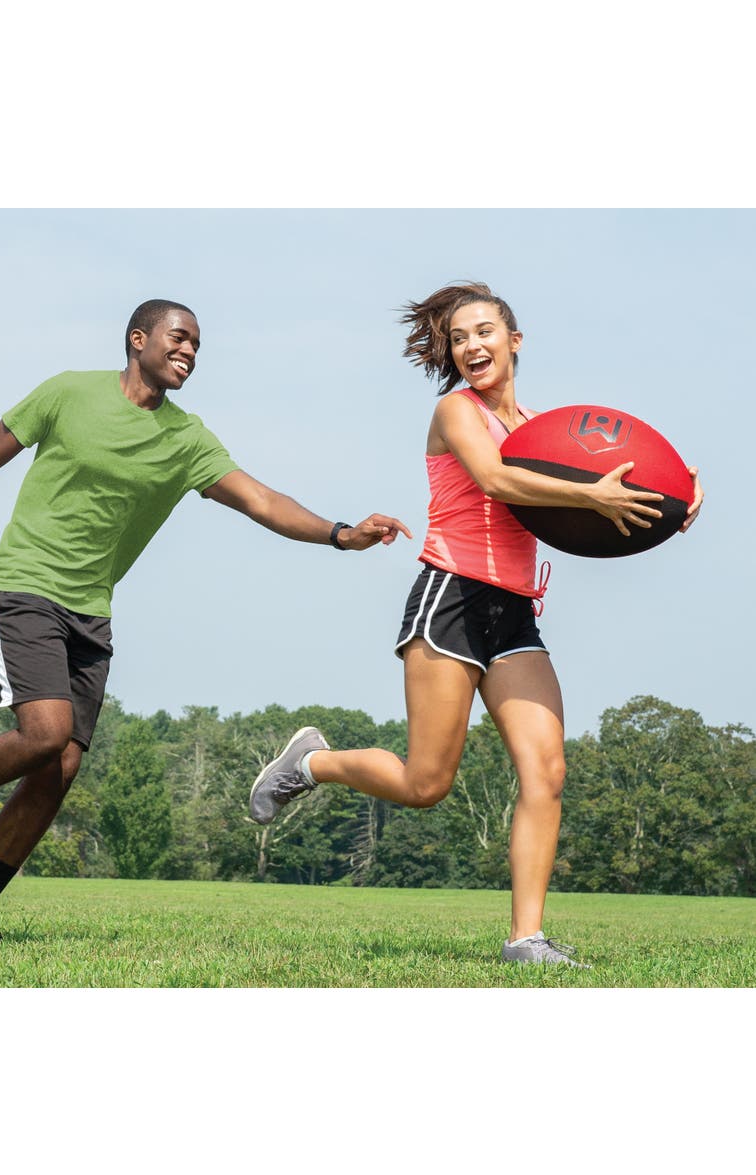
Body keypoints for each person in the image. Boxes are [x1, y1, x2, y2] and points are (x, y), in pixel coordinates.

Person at [249, 281, 704, 968]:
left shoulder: (544, 429)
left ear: (514, 340)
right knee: (425, 786)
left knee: (546, 769)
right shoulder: (454, 412)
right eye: (460, 338)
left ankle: (526, 940)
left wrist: (670, 502)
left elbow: (599, 493)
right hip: (452, 598)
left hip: (515, 611)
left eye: (485, 332)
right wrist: (594, 492)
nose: (472, 346)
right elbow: (496, 481)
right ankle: (310, 763)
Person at [0, 299, 410, 943]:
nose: (190, 353)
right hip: (26, 587)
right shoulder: (67, 394)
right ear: (137, 339)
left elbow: (261, 499)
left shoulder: (187, 438)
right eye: (179, 339)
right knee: (44, 733)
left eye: (198, 346)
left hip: (92, 613)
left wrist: (341, 534)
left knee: (59, 768)